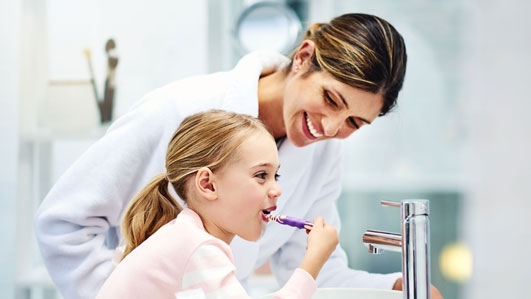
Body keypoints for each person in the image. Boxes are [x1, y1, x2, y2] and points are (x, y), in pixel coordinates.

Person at [35, 13, 443, 298]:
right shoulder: (178, 109)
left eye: (355, 123)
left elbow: (314, 269)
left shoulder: (323, 155)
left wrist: (394, 288)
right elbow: (64, 223)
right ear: (302, 58)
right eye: (331, 99)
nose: (333, 128)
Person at [96, 110, 339, 298]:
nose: (277, 190)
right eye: (261, 175)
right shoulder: (199, 250)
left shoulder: (184, 237)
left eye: (276, 176)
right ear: (208, 185)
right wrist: (312, 262)